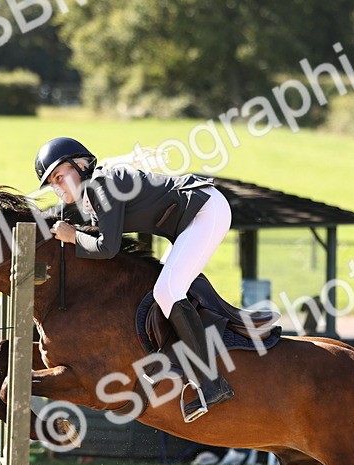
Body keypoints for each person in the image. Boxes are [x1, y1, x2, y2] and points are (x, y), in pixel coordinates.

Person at [35, 136, 233, 422]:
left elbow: (107, 248)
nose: (57, 186)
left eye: (59, 176)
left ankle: (212, 383)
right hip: (190, 220)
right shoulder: (93, 194)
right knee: (162, 289)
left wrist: (73, 236)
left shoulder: (102, 185)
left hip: (206, 210)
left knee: (167, 291)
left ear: (80, 165)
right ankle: (180, 358)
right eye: (51, 182)